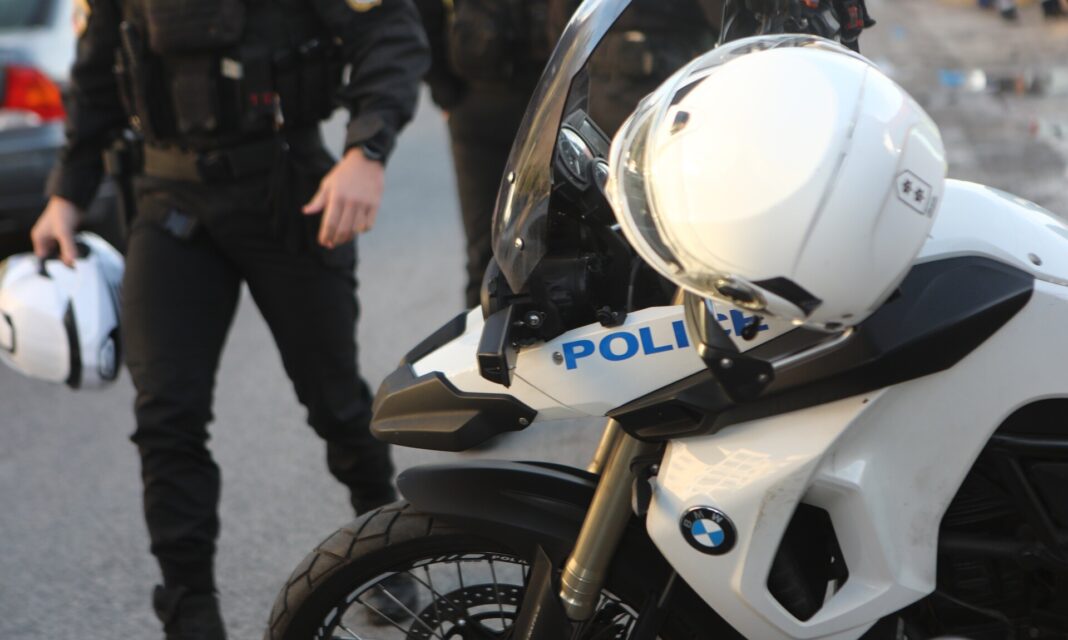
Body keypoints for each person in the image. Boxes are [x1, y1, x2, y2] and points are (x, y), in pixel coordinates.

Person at [30, 0, 428, 637]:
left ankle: (383, 542)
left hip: (288, 192)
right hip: (169, 200)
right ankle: (190, 611)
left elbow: (390, 30)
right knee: (166, 416)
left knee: (335, 401)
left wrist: (367, 149)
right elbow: (99, 70)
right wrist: (66, 193)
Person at [414, 0, 556, 309]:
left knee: (560, 245)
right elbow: (422, 13)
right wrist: (445, 91)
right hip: (477, 110)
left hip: (550, 101)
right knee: (486, 255)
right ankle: (486, 332)